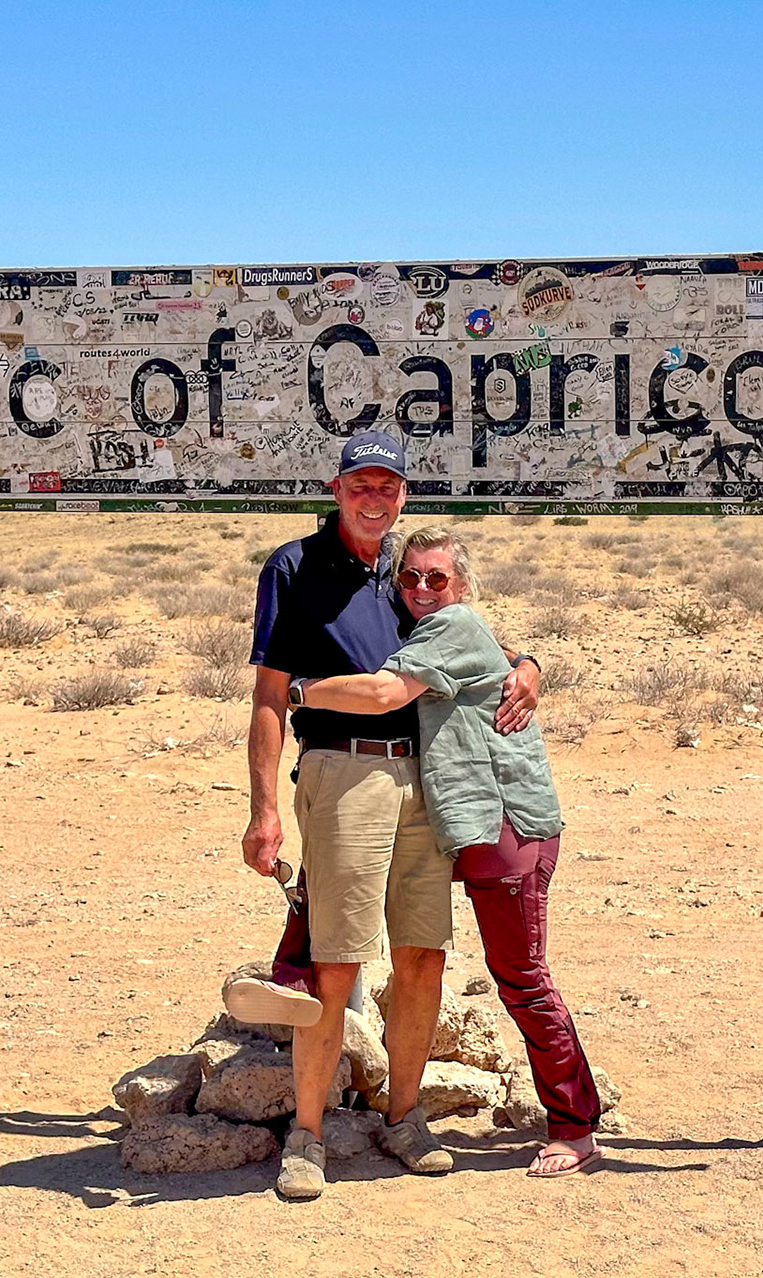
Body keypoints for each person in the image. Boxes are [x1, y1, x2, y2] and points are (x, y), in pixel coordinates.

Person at [237, 432, 541, 1201]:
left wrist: (531, 666)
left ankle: (404, 1119)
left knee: (422, 956)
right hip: (344, 773)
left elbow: (480, 644)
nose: (374, 499)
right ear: (336, 489)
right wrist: (264, 810)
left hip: (426, 778)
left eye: (388, 486)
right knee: (335, 961)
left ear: (403, 495)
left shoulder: (409, 573)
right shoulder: (294, 567)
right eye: (360, 485)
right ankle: (307, 1137)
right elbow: (270, 694)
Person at [281, 525, 603, 1178]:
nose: (422, 587)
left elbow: (384, 694)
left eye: (437, 577)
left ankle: (575, 1126)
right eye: (410, 576)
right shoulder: (429, 627)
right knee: (387, 945)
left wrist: (294, 691)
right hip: (471, 834)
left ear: (462, 584)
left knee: (523, 979)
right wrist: (528, 662)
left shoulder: (450, 624)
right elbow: (502, 652)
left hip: (507, 830)